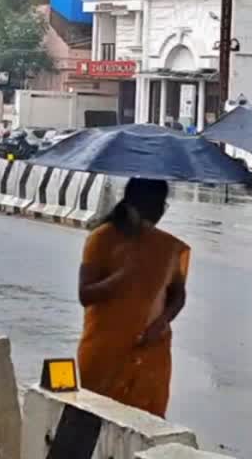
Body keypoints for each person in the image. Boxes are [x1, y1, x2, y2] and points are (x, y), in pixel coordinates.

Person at [77, 178, 190, 418]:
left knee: (144, 425)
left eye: (163, 205)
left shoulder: (168, 247)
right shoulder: (102, 239)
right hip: (104, 351)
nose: (161, 211)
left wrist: (161, 323)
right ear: (136, 205)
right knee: (94, 420)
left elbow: (178, 296)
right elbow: (85, 294)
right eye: (158, 204)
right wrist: (122, 276)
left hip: (151, 350)